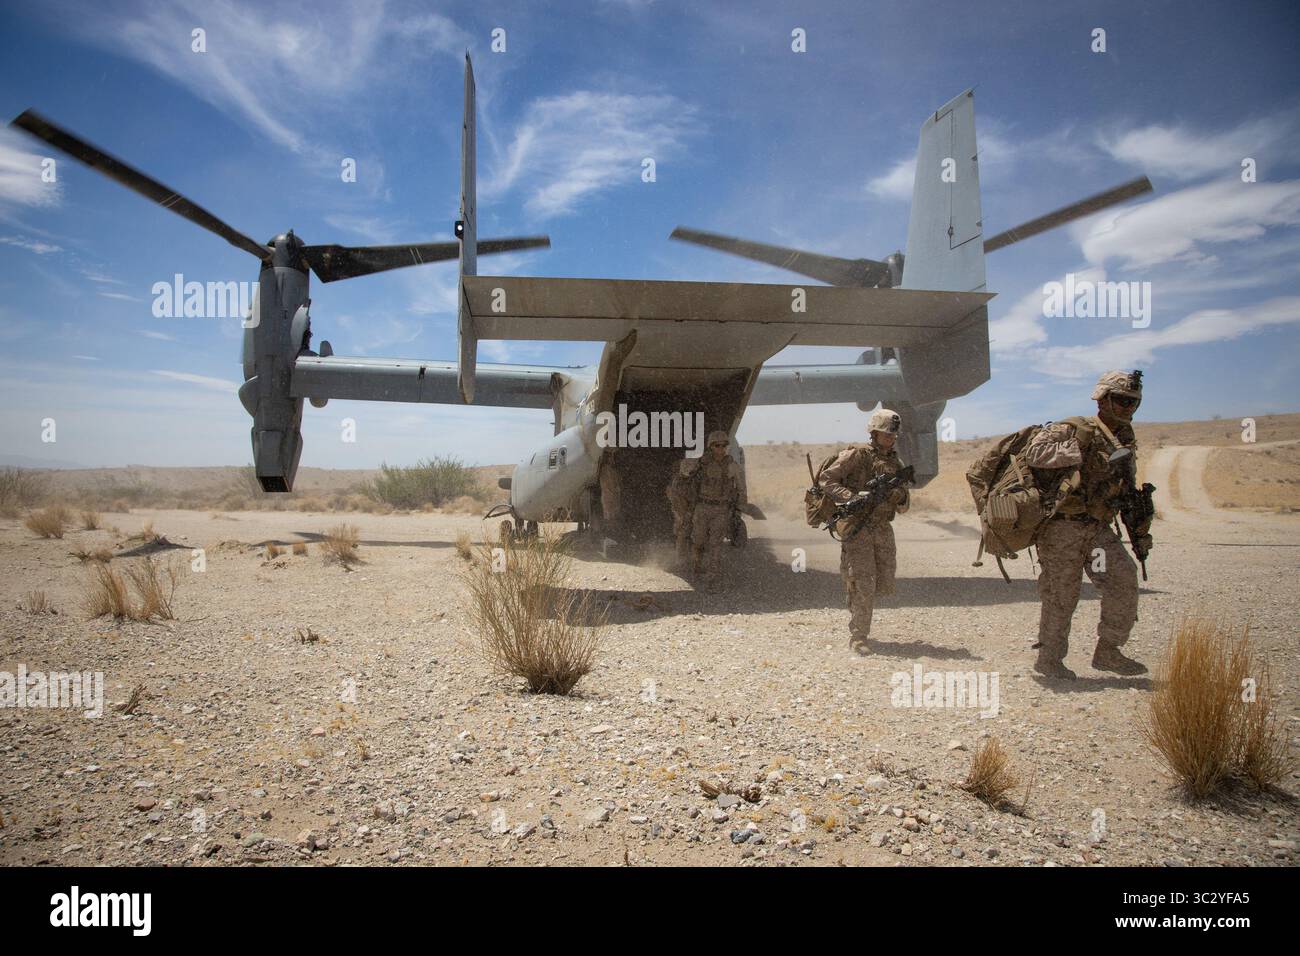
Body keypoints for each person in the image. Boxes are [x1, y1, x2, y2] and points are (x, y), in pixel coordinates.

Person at [1021, 370, 1151, 679]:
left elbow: (1123, 487)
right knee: (1062, 595)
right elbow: (1034, 453)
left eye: (1134, 402)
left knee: (1123, 580)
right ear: (1102, 399)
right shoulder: (1075, 428)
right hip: (1062, 528)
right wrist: (1079, 451)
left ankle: (1108, 651)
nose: (1127, 408)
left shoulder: (1125, 440)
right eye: (1121, 400)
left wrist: (1139, 527)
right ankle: (1049, 660)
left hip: (1096, 528)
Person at [820, 409, 910, 654]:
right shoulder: (856, 456)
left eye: (893, 435)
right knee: (864, 581)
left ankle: (855, 606)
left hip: (882, 528)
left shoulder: (896, 463)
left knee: (884, 581)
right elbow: (827, 480)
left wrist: (897, 494)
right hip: (858, 527)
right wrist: (851, 497)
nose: (891, 438)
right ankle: (859, 636)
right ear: (874, 433)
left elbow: (905, 503)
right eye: (886, 434)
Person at [678, 431, 744, 590]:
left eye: (724, 445)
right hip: (702, 507)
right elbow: (684, 473)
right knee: (698, 540)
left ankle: (712, 577)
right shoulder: (702, 463)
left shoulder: (732, 466)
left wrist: (738, 508)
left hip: (721, 509)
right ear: (711, 446)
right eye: (717, 445)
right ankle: (697, 565)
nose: (721, 449)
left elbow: (741, 488)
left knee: (715, 544)